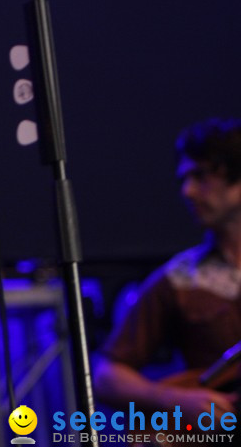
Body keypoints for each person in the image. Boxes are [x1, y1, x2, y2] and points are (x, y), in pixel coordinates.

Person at [94, 118, 241, 420]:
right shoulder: (180, 278)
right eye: (184, 179)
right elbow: (106, 375)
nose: (187, 191)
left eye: (201, 176)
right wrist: (173, 400)